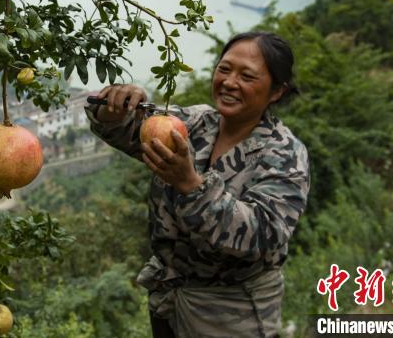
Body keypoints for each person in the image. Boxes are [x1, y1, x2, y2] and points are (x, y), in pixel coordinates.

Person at [85, 32, 310, 338]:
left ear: (276, 91)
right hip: (170, 301)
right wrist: (115, 107)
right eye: (225, 69)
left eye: (247, 76)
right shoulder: (196, 123)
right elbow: (127, 130)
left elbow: (263, 234)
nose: (230, 82)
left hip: (232, 315)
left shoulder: (284, 153)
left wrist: (190, 184)